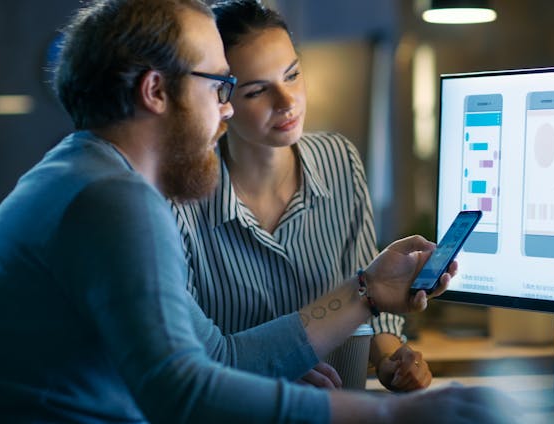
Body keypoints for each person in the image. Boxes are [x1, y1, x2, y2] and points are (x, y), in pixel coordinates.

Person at [0, 0, 517, 422]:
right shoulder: (113, 199)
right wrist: (393, 418)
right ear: (156, 90)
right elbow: (186, 396)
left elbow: (218, 359)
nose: (225, 109)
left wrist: (367, 290)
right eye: (221, 86)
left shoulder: (79, 175)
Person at [171, 0, 430, 392]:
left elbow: (370, 300)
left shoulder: (339, 160)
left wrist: (392, 358)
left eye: (292, 75)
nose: (287, 102)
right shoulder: (182, 198)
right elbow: (182, 356)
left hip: (341, 409)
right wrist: (264, 371)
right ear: (221, 101)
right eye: (259, 91)